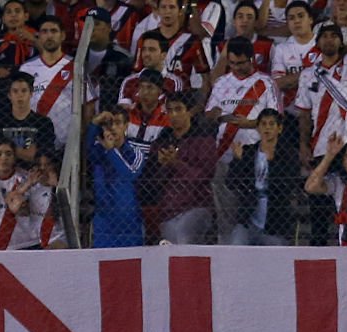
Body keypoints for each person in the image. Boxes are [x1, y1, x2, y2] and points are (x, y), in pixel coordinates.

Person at [206, 36, 282, 244]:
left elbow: (275, 119)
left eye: (241, 63)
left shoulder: (266, 83)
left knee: (254, 207)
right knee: (225, 210)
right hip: (224, 155)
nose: (237, 68)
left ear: (252, 59)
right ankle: (226, 246)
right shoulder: (222, 82)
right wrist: (215, 115)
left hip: (255, 156)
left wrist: (247, 123)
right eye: (232, 63)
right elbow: (210, 112)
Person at [142, 91, 217, 244]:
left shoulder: (204, 139)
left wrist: (176, 163)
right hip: (167, 211)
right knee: (168, 246)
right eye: (169, 110)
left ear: (189, 112)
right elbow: (151, 182)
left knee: (183, 238)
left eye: (178, 109)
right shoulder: (161, 141)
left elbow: (204, 176)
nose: (173, 115)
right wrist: (161, 165)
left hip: (197, 207)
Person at [0, 139, 64, 249]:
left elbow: (16, 204)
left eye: (9, 154)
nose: (4, 158)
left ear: (14, 158)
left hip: (26, 242)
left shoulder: (25, 177)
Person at [21, 15, 99, 150]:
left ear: (62, 36)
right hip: (32, 144)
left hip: (67, 147)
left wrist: (80, 136)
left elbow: (89, 106)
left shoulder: (76, 67)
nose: (49, 35)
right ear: (38, 36)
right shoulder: (26, 68)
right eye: (44, 31)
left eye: (53, 31)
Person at [295, 23, 347, 166]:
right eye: (324, 36)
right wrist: (303, 145)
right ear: (317, 43)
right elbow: (304, 114)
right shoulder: (307, 75)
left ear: (341, 42)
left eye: (334, 36)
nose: (329, 39)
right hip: (322, 142)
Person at [227, 108, 302, 245]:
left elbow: (289, 185)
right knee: (236, 245)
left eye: (271, 124)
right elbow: (231, 182)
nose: (267, 128)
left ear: (279, 129)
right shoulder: (249, 152)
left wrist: (272, 162)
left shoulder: (289, 154)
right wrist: (238, 161)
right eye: (263, 124)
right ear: (258, 128)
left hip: (275, 221)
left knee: (276, 253)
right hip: (248, 219)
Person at [88, 108, 146, 248]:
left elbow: (130, 174)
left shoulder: (135, 151)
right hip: (103, 221)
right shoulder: (98, 151)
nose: (113, 128)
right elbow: (85, 148)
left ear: (126, 125)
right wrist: (95, 124)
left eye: (118, 123)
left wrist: (111, 151)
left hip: (129, 221)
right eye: (108, 124)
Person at [0, 71, 57, 167]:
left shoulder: (43, 122)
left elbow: (43, 156)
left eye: (24, 91)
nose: (20, 95)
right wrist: (26, 152)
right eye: (15, 91)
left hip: (34, 172)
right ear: (9, 95)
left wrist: (10, 150)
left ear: (31, 93)